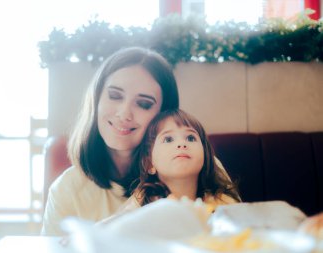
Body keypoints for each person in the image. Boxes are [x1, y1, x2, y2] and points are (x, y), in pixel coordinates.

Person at [41, 47, 233, 235]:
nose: (124, 114)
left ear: (163, 115)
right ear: (96, 99)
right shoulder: (66, 190)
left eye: (143, 104)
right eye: (114, 95)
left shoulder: (198, 166)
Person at [119, 109, 240, 212]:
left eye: (190, 138)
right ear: (149, 163)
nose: (181, 144)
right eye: (168, 139)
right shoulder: (140, 203)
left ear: (205, 155)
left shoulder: (222, 202)